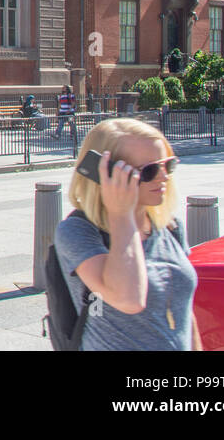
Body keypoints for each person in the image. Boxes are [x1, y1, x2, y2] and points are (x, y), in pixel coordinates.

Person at [53, 117, 199, 351]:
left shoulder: (170, 227)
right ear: (105, 174)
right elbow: (129, 299)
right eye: (150, 170)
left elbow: (185, 314)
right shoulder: (77, 232)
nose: (163, 177)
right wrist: (121, 214)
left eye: (167, 166)